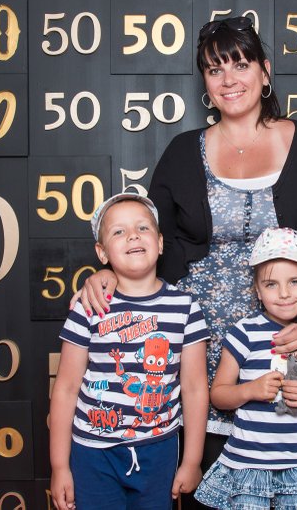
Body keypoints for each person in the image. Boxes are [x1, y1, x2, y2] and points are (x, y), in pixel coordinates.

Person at [75, 16, 297, 485]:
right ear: (205, 82)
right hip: (195, 338)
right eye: (215, 69)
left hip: (281, 334)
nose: (228, 80)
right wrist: (110, 276)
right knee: (204, 479)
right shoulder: (184, 151)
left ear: (264, 71)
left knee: (285, 467)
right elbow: (149, 238)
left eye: (240, 65)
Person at [50, 192, 209, 510]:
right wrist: (59, 466)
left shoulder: (185, 307)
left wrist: (192, 460)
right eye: (119, 231)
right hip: (93, 452)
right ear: (102, 252)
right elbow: (66, 388)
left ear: (160, 243)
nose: (133, 235)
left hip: (159, 449)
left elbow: (194, 387)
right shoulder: (88, 307)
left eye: (143, 227)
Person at [194, 227, 297, 509]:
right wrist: (250, 390)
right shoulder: (244, 333)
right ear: (257, 289)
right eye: (271, 285)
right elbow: (218, 395)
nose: (284, 294)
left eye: (295, 282)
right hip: (249, 465)